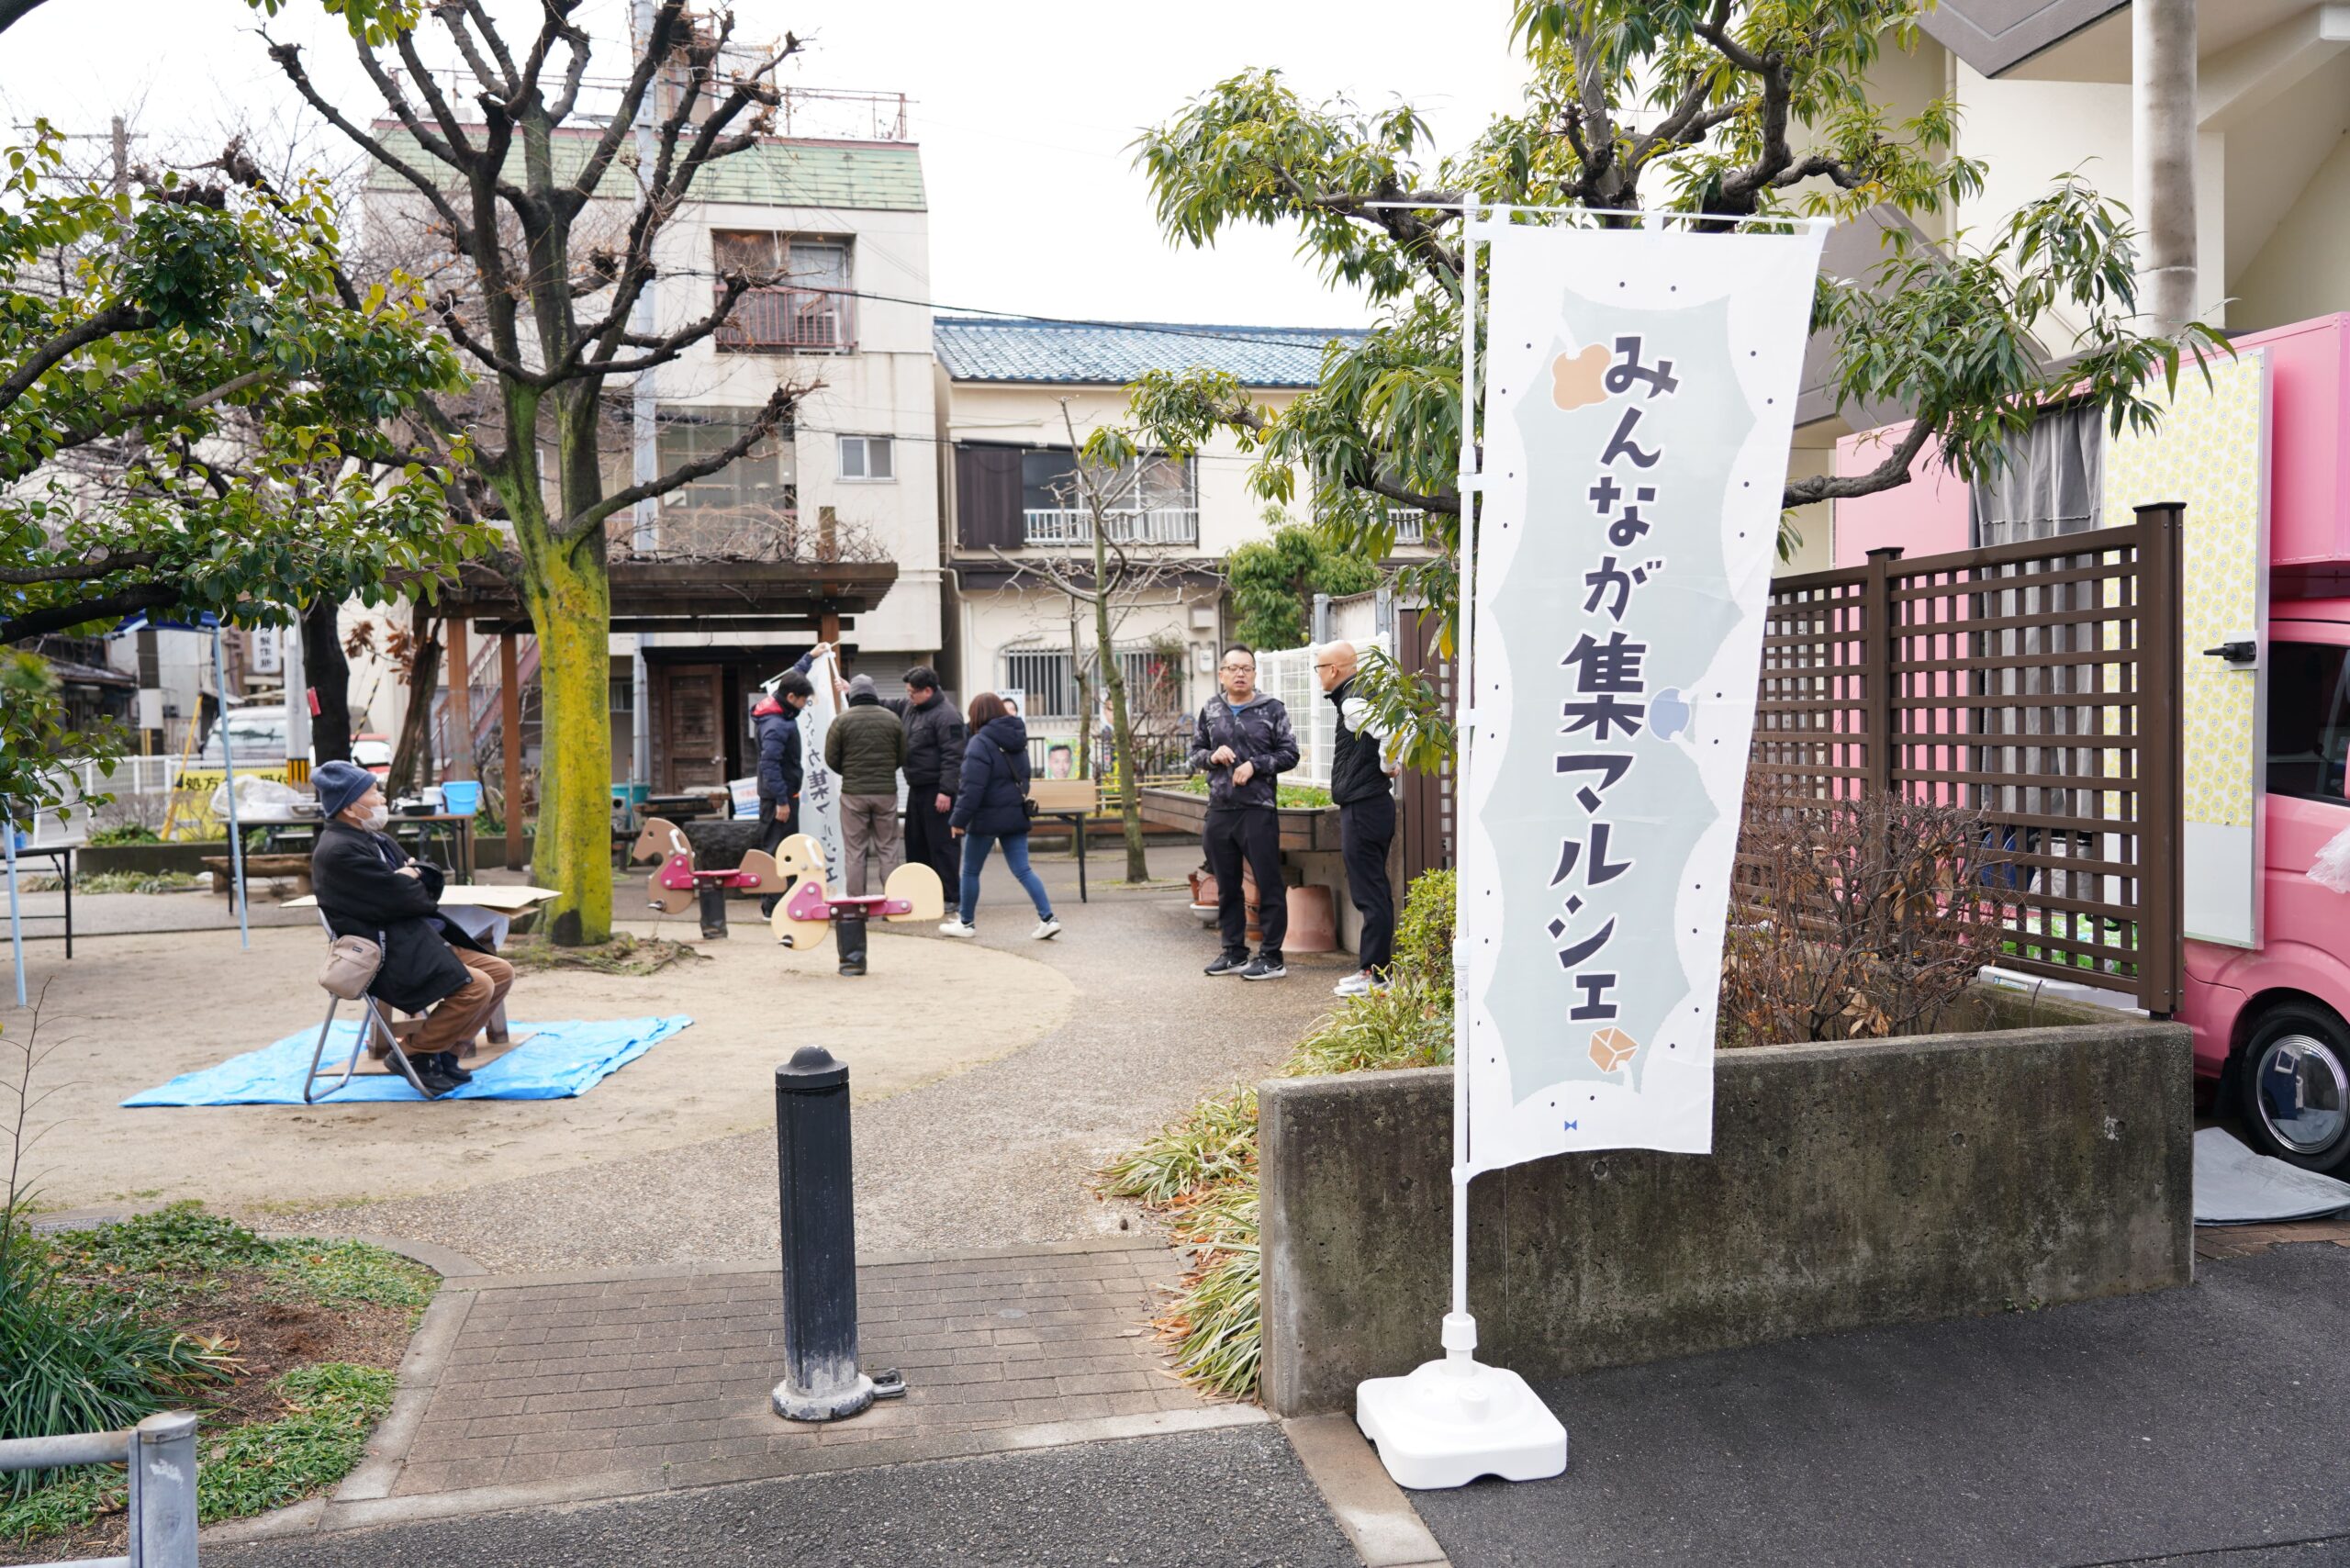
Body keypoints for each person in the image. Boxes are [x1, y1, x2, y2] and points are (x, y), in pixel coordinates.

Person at [308, 760, 512, 1098]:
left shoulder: (373, 839)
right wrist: (409, 881)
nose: (380, 799)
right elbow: (407, 899)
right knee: (478, 986)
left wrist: (411, 877)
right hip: (386, 953)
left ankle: (446, 1053)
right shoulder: (338, 851)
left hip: (413, 938)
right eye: (372, 793)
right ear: (349, 806)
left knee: (501, 972)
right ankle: (414, 1053)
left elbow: (424, 884)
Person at [1191, 644, 1300, 980]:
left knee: (1268, 883)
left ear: (1254, 674)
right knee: (1227, 886)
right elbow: (1194, 754)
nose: (1240, 674)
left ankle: (1271, 957)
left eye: (1247, 669)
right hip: (1220, 809)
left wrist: (1255, 765)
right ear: (1221, 674)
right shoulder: (1211, 709)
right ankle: (1234, 952)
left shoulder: (1271, 709)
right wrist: (1212, 757)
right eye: (1233, 668)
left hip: (1258, 808)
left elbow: (1290, 754)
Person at [1317, 641, 1403, 996]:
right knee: (1374, 890)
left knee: (1370, 892)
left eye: (1319, 668)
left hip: (1365, 806)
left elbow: (1396, 730)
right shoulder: (1364, 695)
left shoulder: (1353, 701)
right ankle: (1373, 970)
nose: (1319, 674)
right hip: (1369, 804)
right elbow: (1400, 725)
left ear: (1334, 670)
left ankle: (1376, 974)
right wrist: (1387, 765)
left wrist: (1387, 766)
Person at [940, 691, 1061, 941]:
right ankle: (1048, 918)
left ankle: (966, 922)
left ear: (977, 715)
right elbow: (1024, 777)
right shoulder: (1017, 738)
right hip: (1014, 814)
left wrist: (958, 820)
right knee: (1023, 870)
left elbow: (972, 787)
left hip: (986, 818)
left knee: (970, 871)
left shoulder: (980, 742)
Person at [751, 644, 826, 916]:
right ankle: (772, 908)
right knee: (777, 851)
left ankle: (782, 903)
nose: (806, 706)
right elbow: (769, 765)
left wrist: (810, 657)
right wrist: (782, 800)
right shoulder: (776, 725)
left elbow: (792, 678)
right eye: (804, 701)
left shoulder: (779, 705)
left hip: (782, 796)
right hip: (777, 800)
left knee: (786, 849)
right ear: (792, 697)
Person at [884, 666, 964, 896]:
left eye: (912, 692)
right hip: (916, 787)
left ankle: (950, 895)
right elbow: (889, 704)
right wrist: (854, 693)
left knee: (942, 845)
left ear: (927, 691)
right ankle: (923, 893)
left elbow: (954, 756)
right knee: (916, 843)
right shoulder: (912, 707)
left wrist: (946, 791)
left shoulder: (947, 716)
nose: (908, 696)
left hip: (937, 790)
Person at [825, 672, 907, 896]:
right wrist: (885, 771)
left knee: (854, 851)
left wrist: (850, 773)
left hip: (853, 794)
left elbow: (831, 758)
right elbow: (902, 756)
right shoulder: (892, 719)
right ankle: (893, 901)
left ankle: (856, 907)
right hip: (886, 793)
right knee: (888, 848)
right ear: (874, 693)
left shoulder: (842, 720)